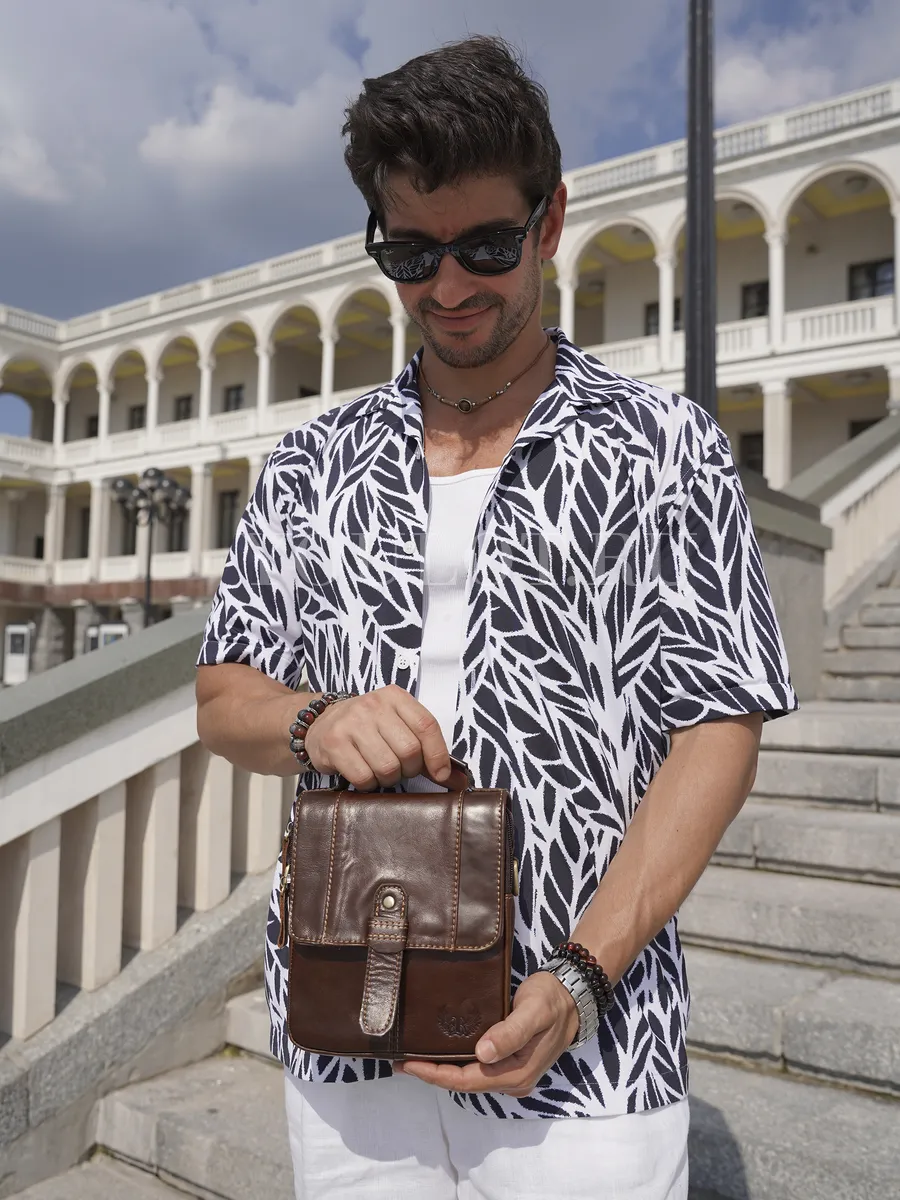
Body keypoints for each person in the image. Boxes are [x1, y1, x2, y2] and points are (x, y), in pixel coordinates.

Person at [196, 34, 798, 1200]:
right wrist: (316, 719)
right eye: (411, 254)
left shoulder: (664, 449)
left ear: (551, 219)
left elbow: (718, 728)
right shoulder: (308, 465)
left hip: (587, 1045)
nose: (450, 287)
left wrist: (582, 978)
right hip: (347, 1029)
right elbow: (224, 697)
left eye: (485, 246)